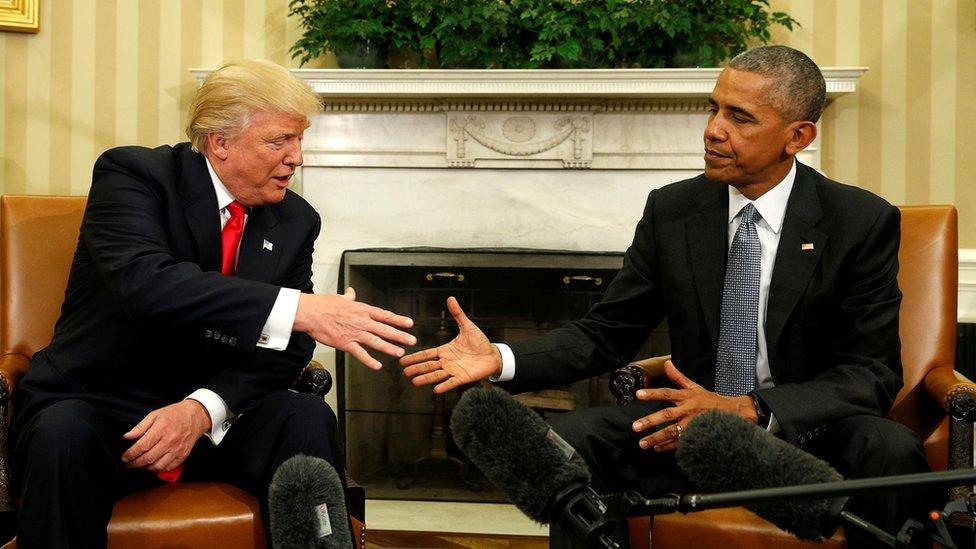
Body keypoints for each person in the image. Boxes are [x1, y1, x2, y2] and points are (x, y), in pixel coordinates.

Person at [401, 45, 932, 547]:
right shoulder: (674, 211)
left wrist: (750, 407)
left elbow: (870, 373)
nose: (713, 131)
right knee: (574, 439)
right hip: (689, 430)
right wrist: (502, 357)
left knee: (890, 449)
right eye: (713, 109)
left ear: (797, 136)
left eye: (740, 118)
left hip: (805, 431)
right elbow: (607, 333)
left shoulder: (858, 221)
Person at [11, 59, 416, 548]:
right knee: (60, 435)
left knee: (305, 418)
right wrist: (300, 308)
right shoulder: (135, 176)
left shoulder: (295, 220)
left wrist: (202, 410)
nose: (297, 158)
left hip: (215, 420)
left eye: (300, 140)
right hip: (103, 406)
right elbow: (147, 283)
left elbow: (286, 350)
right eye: (279, 141)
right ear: (219, 141)